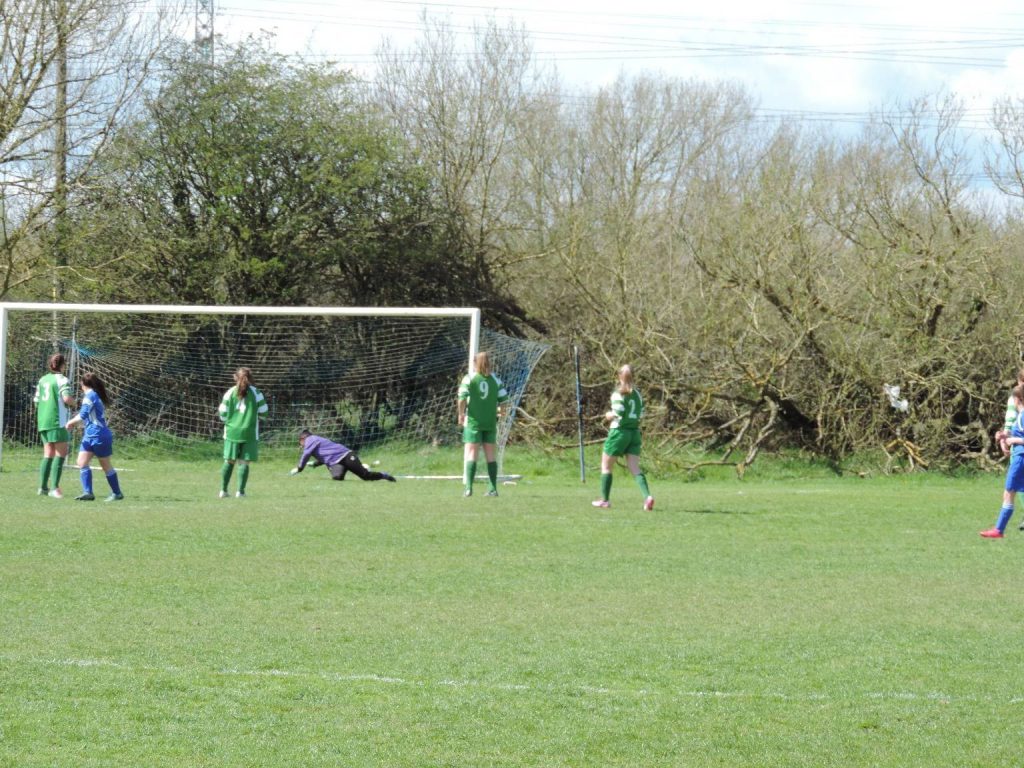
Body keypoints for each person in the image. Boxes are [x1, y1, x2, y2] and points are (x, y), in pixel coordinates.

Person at [592, 364, 654, 511]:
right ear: (633, 376)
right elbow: (641, 413)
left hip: (619, 432)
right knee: (635, 468)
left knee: (606, 466)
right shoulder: (637, 394)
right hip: (634, 433)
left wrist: (608, 415)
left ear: (619, 376)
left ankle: (605, 500)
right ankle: (647, 497)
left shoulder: (617, 394)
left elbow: (618, 413)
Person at [64, 372, 124, 502]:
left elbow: (83, 415)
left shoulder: (90, 396)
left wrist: (70, 422)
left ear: (83, 384)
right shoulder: (92, 395)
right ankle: (88, 493)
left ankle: (117, 493)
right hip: (90, 435)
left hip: (99, 435)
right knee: (81, 462)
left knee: (105, 465)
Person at [457, 351, 509, 497]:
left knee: (471, 453)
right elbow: (504, 399)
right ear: (489, 362)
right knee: (490, 455)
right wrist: (501, 413)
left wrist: (461, 414)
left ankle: (468, 488)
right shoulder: (495, 380)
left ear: (475, 363)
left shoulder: (469, 378)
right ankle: (492, 488)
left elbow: (461, 398)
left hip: (474, 422)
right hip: (490, 422)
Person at [217, 367, 268, 498]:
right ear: (251, 378)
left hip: (231, 432)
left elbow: (222, 414)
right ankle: (240, 492)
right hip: (249, 432)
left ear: (235, 377)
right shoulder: (256, 393)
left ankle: (223, 491)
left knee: (229, 460)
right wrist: (255, 418)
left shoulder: (229, 392)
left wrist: (231, 421)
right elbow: (264, 412)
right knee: (244, 462)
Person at [981, 384, 1024, 538]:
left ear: (1019, 399)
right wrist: (1005, 436)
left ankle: (999, 530)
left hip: (1020, 459)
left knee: (1009, 492)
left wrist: (1012, 440)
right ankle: (999, 529)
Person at [33, 352, 76, 498]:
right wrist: (75, 403)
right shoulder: (62, 379)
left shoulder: (42, 380)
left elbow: (36, 401)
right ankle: (54, 488)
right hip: (57, 421)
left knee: (48, 453)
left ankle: (42, 488)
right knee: (60, 453)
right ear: (63, 365)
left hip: (43, 421)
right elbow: (67, 398)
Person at [289, 430, 397, 482]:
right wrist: (315, 464)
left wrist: (299, 468)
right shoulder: (313, 442)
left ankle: (384, 475)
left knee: (365, 476)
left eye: (300, 443)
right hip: (336, 462)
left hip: (346, 456)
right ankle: (352, 468)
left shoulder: (310, 439)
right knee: (337, 478)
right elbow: (327, 456)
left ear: (302, 438)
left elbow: (306, 454)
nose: (300, 445)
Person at [994, 367, 1024, 456]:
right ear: (1018, 381)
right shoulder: (1014, 399)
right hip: (1019, 451)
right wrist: (1003, 437)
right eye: (1023, 381)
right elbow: (1011, 421)